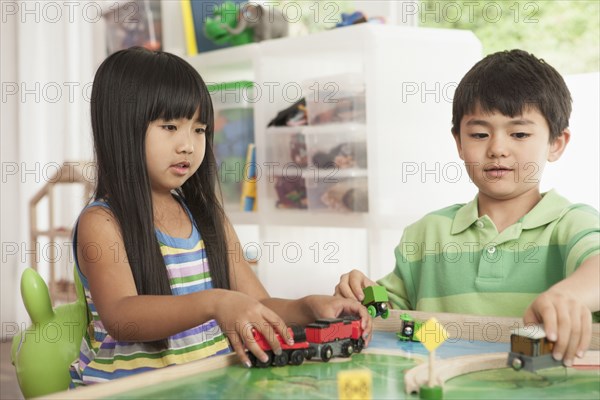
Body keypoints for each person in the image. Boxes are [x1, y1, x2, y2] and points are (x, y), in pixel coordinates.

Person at [71, 47, 371, 385]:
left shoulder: (207, 217)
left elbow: (258, 302)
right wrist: (215, 303)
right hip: (129, 391)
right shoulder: (103, 222)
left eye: (199, 130)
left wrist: (310, 306)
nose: (188, 145)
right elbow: (121, 316)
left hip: (207, 385)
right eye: (170, 126)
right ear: (120, 128)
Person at [334, 49, 599, 367]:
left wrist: (568, 296)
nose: (498, 149)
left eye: (519, 133)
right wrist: (360, 295)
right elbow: (389, 317)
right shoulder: (427, 234)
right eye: (479, 134)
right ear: (459, 142)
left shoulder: (572, 223)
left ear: (556, 143)